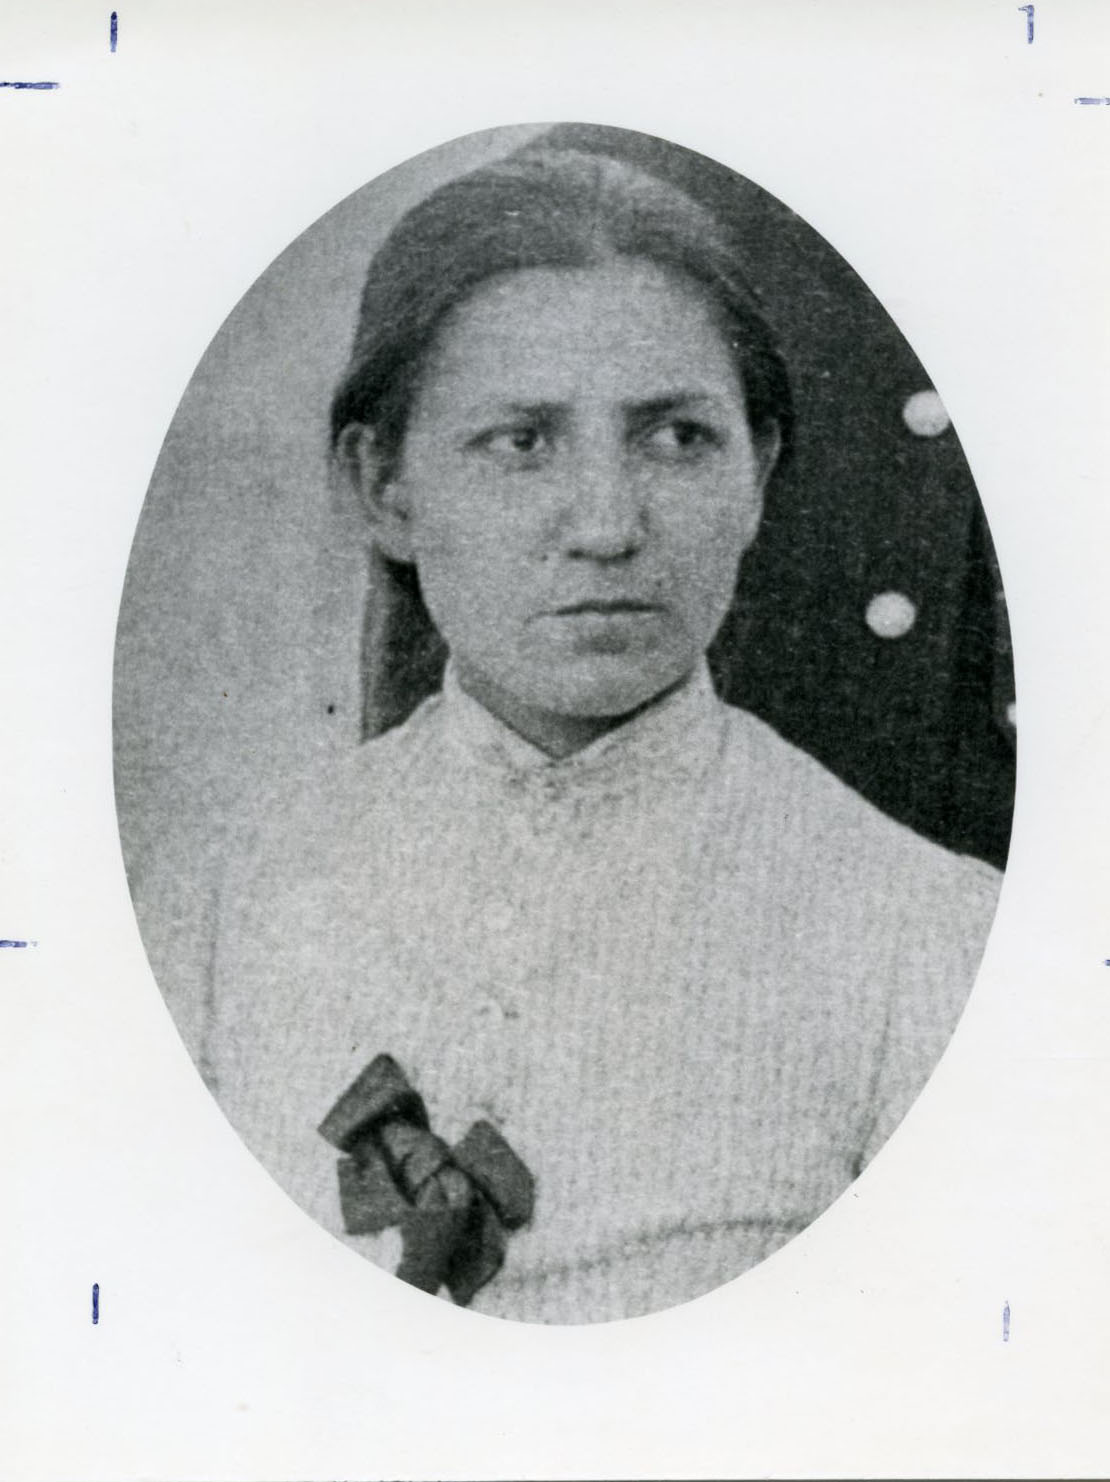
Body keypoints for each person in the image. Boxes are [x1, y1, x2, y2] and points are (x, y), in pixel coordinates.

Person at [209, 141, 1002, 1324]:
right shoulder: (247, 886)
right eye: (522, 441)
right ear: (385, 489)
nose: (608, 526)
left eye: (676, 437)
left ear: (759, 472)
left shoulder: (928, 944)